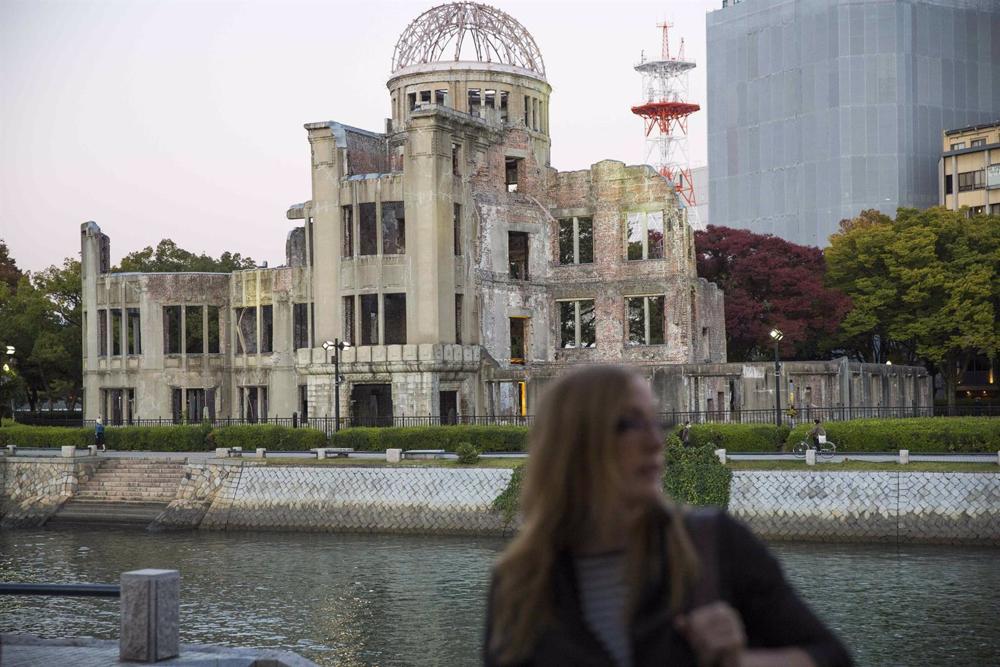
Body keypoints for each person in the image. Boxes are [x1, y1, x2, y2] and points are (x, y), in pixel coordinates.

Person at [484, 365, 851, 667]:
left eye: (656, 422)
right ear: (572, 444)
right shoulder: (518, 583)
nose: (656, 442)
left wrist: (741, 662)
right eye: (629, 424)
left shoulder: (713, 544)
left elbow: (833, 657)